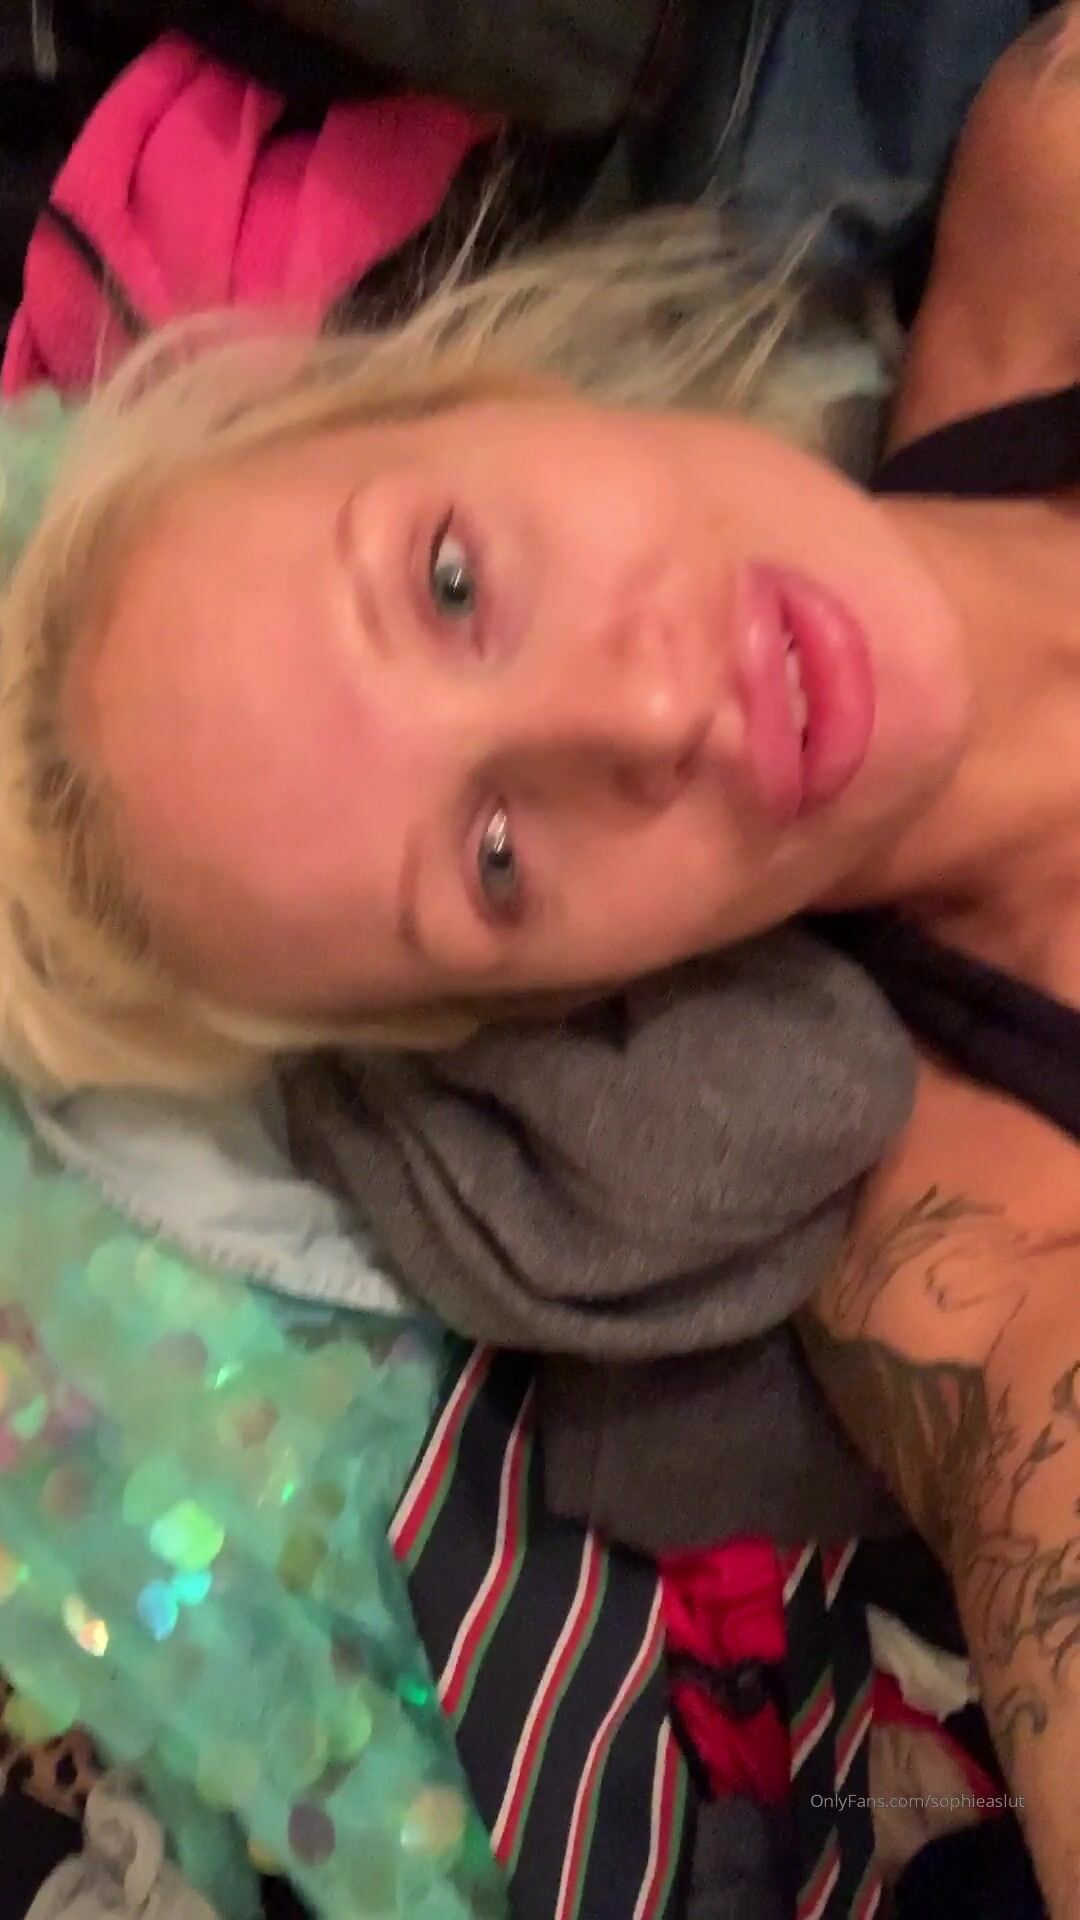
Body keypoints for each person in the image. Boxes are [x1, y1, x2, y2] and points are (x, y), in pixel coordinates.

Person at [2, 4, 1080, 1912]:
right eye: (497, 860)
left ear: (495, 390)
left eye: (451, 581)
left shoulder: (1051, 168)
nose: (647, 713)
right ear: (550, 1005)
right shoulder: (979, 1272)